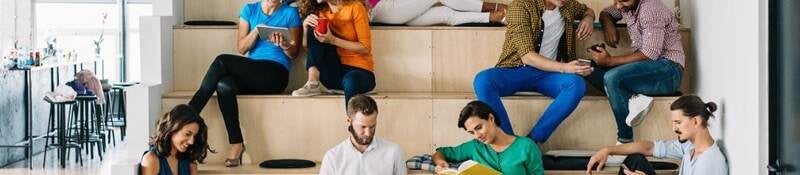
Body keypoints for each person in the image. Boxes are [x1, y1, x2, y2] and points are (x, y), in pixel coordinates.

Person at [186, 0, 302, 167]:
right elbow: (241, 48)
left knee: (222, 61)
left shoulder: (289, 13)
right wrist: (256, 30)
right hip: (251, 72)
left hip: (275, 73)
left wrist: (284, 45)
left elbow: (294, 53)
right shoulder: (250, 10)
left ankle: (186, 115)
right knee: (224, 85)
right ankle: (236, 143)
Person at [472, 0, 595, 143]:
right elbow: (527, 56)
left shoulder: (568, 5)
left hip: (547, 74)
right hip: (516, 69)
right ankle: (507, 142)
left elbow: (588, 10)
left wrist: (588, 19)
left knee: (576, 84)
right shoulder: (520, 6)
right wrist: (565, 67)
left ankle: (532, 140)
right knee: (483, 80)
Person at [586, 0, 685, 144]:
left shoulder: (651, 9)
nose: (619, 6)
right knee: (589, 69)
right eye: (616, 1)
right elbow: (606, 13)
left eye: (623, 1)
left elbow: (650, 53)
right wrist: (608, 25)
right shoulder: (627, 5)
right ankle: (636, 97)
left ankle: (625, 140)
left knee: (612, 77)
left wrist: (610, 61)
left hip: (668, 71)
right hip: (647, 69)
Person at [586, 95, 728, 175]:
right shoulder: (690, 147)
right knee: (634, 159)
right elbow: (648, 147)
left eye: (678, 122)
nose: (674, 128)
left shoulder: (709, 163)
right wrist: (607, 150)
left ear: (696, 121)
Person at [294, 0, 376, 106]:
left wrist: (332, 40)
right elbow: (309, 48)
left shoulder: (355, 7)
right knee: (313, 27)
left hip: (360, 72)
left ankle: (352, 121)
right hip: (333, 75)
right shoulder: (320, 12)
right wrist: (305, 27)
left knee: (350, 80)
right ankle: (312, 83)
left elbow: (365, 47)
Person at [432, 101, 544, 175]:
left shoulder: (527, 147)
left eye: (479, 127)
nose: (477, 136)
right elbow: (441, 152)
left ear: (491, 118)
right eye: (472, 132)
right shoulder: (475, 146)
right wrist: (440, 162)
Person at [319, 94, 407, 175]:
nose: (368, 133)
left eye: (372, 126)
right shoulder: (332, 157)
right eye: (363, 127)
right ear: (349, 121)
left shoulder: (394, 152)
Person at [140, 104, 212, 175]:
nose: (191, 142)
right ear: (172, 129)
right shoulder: (151, 159)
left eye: (194, 136)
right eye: (187, 134)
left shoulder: (190, 163)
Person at [367, 0, 506, 26]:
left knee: (445, 14)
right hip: (380, 8)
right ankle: (494, 7)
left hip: (394, 9)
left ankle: (493, 17)